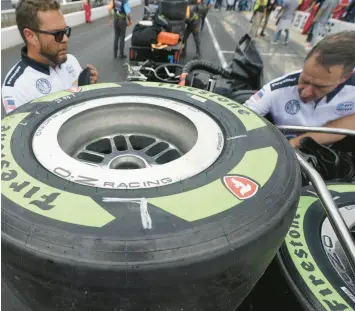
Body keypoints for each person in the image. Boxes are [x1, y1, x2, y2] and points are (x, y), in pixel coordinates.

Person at [244, 31, 355, 148]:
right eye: (304, 80)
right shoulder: (275, 90)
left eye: (319, 87)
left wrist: (297, 142)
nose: (306, 93)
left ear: (345, 77)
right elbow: (240, 119)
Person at [1, 0, 98, 114]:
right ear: (30, 36)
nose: (65, 38)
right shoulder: (17, 89)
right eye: (57, 34)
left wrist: (88, 88)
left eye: (66, 31)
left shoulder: (71, 60)